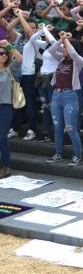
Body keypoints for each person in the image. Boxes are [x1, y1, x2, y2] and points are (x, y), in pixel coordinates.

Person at [45, 32, 83, 167]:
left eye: (64, 48)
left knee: (70, 128)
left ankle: (77, 156)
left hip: (70, 96)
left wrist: (67, 41)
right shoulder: (61, 59)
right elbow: (51, 50)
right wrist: (61, 39)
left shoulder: (79, 61)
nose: (63, 50)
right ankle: (58, 153)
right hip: (57, 95)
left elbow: (74, 54)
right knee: (57, 127)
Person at [0, 40, 22, 178]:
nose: (3, 55)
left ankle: (6, 166)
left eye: (4, 53)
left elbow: (19, 58)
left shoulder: (10, 69)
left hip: (5, 107)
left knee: (2, 137)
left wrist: (8, 45)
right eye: (0, 53)